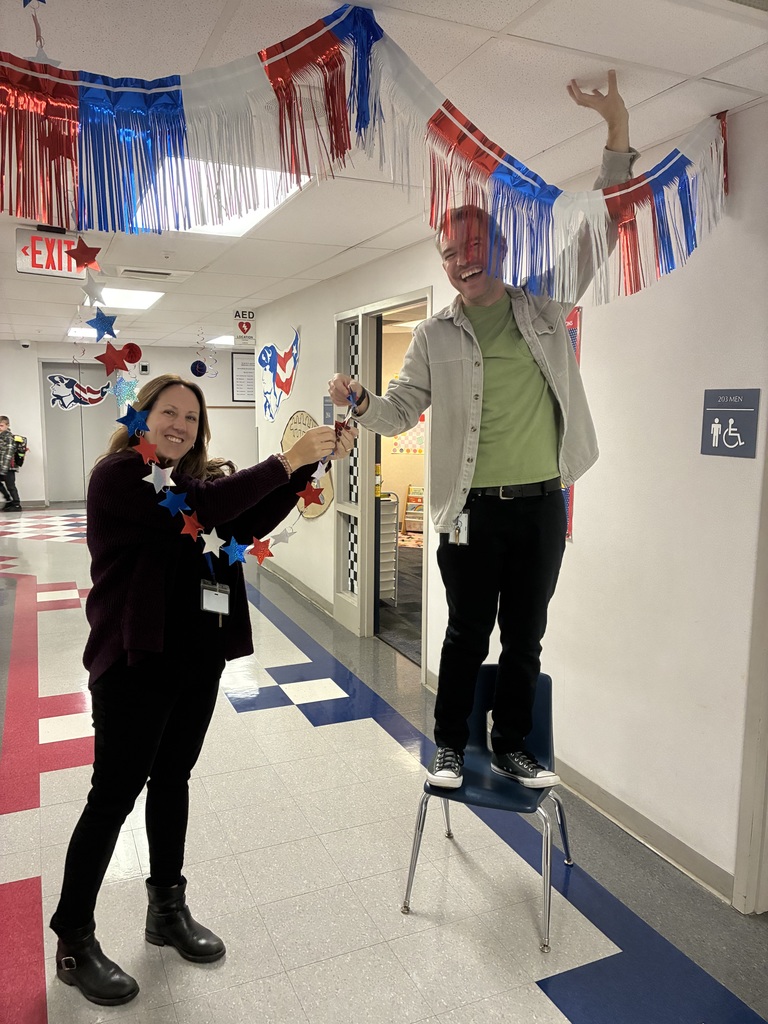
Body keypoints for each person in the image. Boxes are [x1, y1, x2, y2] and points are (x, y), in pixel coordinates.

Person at [329, 72, 636, 791]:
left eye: (472, 250)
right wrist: (364, 401)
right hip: (466, 512)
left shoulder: (541, 306)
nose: (462, 264)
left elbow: (601, 229)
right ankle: (444, 744)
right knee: (468, 633)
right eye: (450, 255)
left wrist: (616, 129)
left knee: (526, 636)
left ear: (496, 248)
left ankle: (511, 745)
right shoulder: (435, 336)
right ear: (443, 260)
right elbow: (401, 409)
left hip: (538, 506)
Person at [50, 373, 356, 1007]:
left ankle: (166, 909)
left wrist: (303, 472)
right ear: (142, 418)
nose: (180, 425)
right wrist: (285, 460)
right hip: (134, 662)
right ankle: (74, 942)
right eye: (169, 412)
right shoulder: (120, 477)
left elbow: (238, 520)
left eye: (190, 418)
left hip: (195, 658)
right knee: (113, 796)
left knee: (172, 781)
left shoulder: (200, 484)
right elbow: (200, 512)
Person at [0, 416, 23, 511]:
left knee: (10, 485)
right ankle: (9, 500)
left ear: (7, 425)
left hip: (9, 466)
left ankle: (16, 504)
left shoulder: (8, 437)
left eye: (1, 425)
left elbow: (9, 453)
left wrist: (4, 468)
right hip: (2, 465)